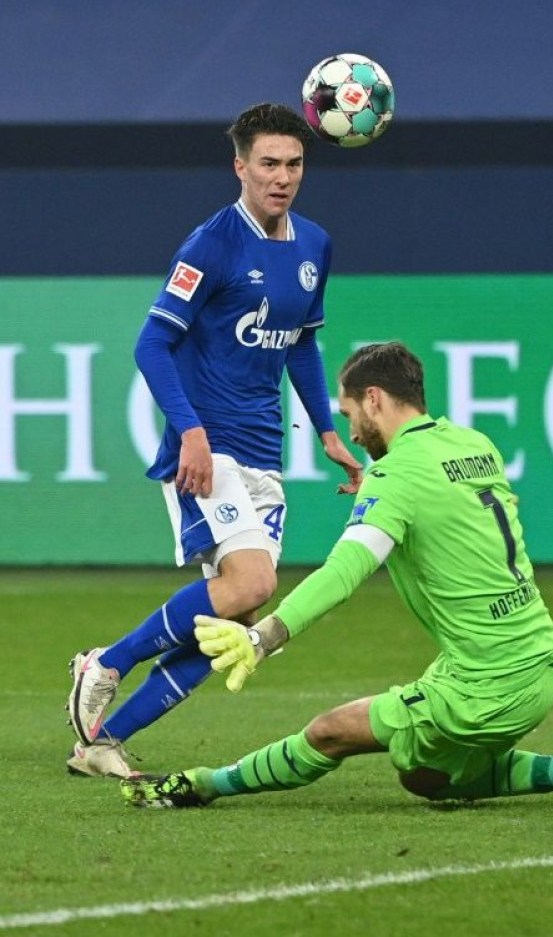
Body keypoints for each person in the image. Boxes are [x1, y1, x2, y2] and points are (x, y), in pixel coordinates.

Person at [120, 341, 553, 809]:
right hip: (543, 661)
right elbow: (445, 510)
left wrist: (263, 636)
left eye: (349, 416)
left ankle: (201, 785)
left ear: (374, 400)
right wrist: (383, 492)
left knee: (328, 732)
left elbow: (344, 572)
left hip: (487, 686)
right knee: (426, 778)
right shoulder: (473, 444)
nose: (351, 432)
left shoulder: (396, 477)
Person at [66, 103, 362, 779]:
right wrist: (191, 432)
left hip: (264, 450)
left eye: (293, 164)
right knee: (256, 581)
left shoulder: (314, 245)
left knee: (239, 610)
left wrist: (326, 431)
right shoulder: (211, 244)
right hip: (207, 448)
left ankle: (101, 742)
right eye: (268, 164)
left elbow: (302, 346)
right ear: (240, 167)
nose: (281, 177)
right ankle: (108, 661)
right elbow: (153, 344)